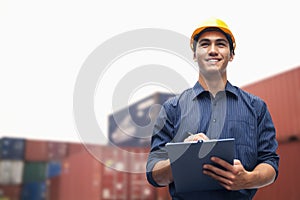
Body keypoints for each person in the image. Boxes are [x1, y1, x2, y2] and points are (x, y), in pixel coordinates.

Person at [146, 17, 279, 199]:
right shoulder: (172, 109)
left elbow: (270, 163)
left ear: (231, 55)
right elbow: (154, 174)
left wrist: (247, 179)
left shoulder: (256, 108)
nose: (213, 51)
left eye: (221, 44)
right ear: (194, 54)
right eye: (205, 44)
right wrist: (181, 159)